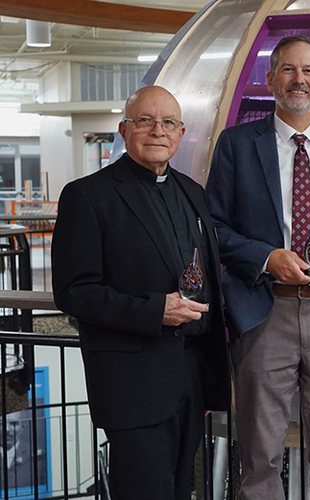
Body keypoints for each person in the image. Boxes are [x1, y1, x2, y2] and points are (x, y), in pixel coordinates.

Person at [205, 35, 310, 499]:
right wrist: (267, 257)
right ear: (272, 79)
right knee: (259, 459)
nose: (299, 80)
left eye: (308, 71)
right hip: (263, 311)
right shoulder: (236, 145)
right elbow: (213, 227)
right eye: (289, 70)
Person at [51, 85, 230, 500]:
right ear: (123, 129)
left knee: (182, 491)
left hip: (190, 376)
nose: (157, 131)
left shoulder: (193, 192)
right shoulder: (87, 195)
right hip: (133, 381)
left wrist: (209, 378)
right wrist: (155, 311)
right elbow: (74, 293)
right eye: (145, 120)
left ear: (181, 133)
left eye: (168, 122)